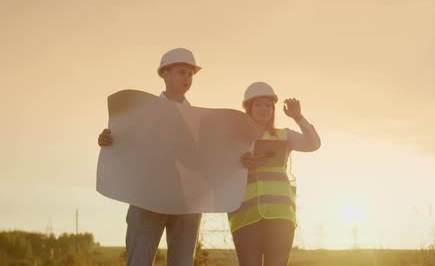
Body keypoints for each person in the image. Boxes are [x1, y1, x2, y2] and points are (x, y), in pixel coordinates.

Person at [98, 48, 203, 266]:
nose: (187, 78)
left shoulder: (199, 121)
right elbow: (126, 144)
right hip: (147, 199)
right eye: (182, 72)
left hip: (185, 204)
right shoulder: (140, 112)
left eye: (190, 74)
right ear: (165, 73)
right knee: (139, 261)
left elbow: (205, 161)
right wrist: (109, 140)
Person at [228, 81, 321, 266]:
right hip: (245, 214)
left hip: (280, 213)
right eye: (258, 104)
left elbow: (313, 144)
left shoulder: (284, 136)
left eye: (268, 105)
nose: (264, 109)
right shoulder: (235, 138)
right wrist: (238, 162)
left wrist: (298, 117)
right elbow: (218, 167)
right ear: (249, 107)